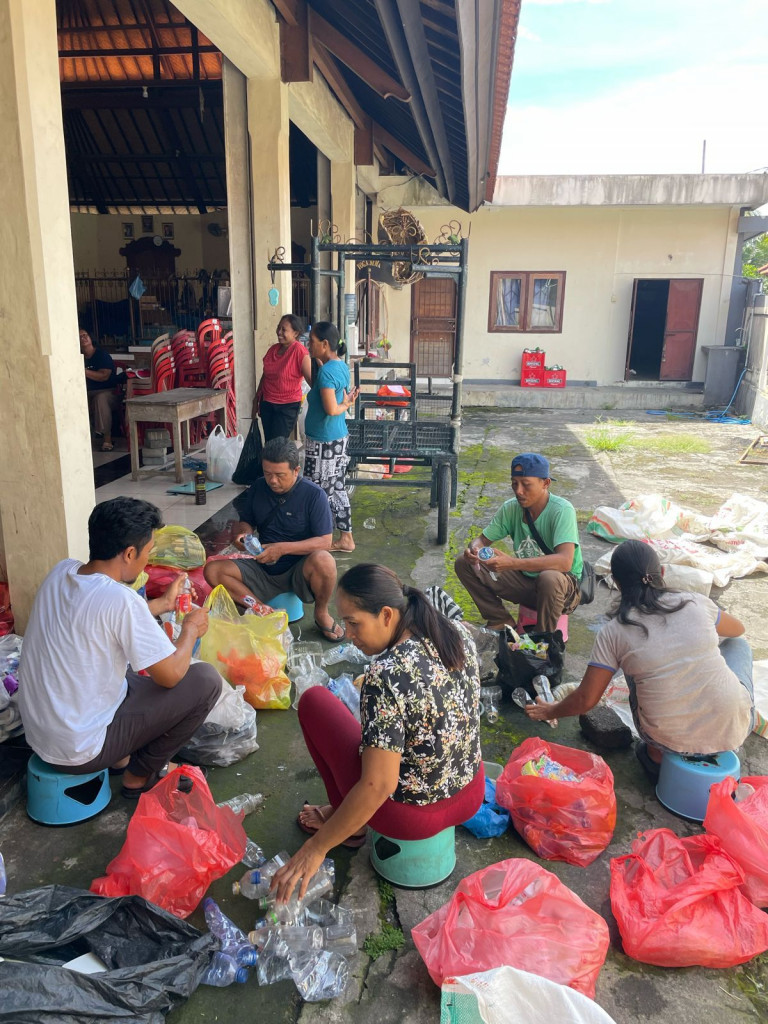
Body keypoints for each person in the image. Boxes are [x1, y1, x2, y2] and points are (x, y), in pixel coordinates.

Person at [270, 563, 484, 903]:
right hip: (470, 790)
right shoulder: (456, 631)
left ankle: (351, 829)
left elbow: (379, 784)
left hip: (411, 817)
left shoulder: (385, 674)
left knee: (313, 701)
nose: (348, 633)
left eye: (354, 623)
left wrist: (317, 847)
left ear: (386, 614)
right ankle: (347, 819)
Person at [18, 498, 221, 798]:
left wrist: (163, 604)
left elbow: (102, 617)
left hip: (39, 734)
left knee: (123, 668)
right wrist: (190, 630)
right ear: (129, 553)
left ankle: (120, 755)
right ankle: (140, 774)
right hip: (79, 751)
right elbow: (171, 676)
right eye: (148, 552)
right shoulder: (120, 600)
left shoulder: (61, 572)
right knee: (205, 681)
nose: (147, 561)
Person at [526, 541, 755, 776]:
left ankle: (655, 754)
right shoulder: (694, 601)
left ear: (615, 582)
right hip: (735, 728)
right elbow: (737, 629)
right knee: (738, 645)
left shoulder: (615, 631)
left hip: (665, 740)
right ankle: (721, 719)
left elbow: (586, 699)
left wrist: (549, 711)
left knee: (632, 665)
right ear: (662, 573)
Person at [204, 436, 344, 641]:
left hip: (299, 569)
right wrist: (244, 535)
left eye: (280, 475)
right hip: (263, 566)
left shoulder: (314, 495)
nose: (273, 481)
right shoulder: (258, 488)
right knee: (213, 570)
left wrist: (282, 549)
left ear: (296, 471)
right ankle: (262, 610)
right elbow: (246, 522)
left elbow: (325, 541)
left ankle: (321, 613)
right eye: (268, 473)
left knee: (325, 560)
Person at [454, 452, 581, 632]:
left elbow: (564, 561)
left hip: (563, 591)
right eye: (514, 483)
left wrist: (512, 563)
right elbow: (482, 540)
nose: (518, 491)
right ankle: (499, 620)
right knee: (463, 563)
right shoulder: (511, 508)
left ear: (546, 483)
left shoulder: (562, 510)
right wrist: (474, 551)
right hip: (527, 584)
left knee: (549, 578)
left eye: (526, 485)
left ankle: (542, 641)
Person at [303, 321, 359, 553]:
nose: (307, 346)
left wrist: (345, 404)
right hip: (336, 439)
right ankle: (346, 538)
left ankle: (319, 540)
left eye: (312, 342)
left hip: (324, 443)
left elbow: (331, 409)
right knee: (336, 488)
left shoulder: (326, 372)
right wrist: (321, 362)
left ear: (325, 344)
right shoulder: (339, 365)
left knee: (318, 492)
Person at [254, 314, 312, 442]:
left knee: (278, 445)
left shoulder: (299, 352)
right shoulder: (273, 350)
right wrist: (257, 397)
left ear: (295, 333)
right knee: (269, 443)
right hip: (267, 403)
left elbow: (311, 380)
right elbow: (266, 375)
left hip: (287, 407)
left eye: (284, 330)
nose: (279, 332)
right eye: (278, 328)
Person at [80, 329, 119, 452]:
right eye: (80, 337)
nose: (83, 338)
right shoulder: (77, 357)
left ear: (91, 338)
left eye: (85, 335)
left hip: (109, 392)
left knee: (100, 398)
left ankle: (107, 439)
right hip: (87, 392)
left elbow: (104, 376)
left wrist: (82, 370)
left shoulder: (101, 355)